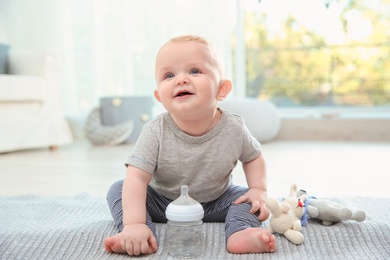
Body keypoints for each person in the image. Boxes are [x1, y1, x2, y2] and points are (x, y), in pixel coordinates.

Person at [103, 35, 276, 256]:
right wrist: (134, 222)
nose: (181, 80)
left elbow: (253, 157)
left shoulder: (234, 127)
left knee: (247, 200)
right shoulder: (155, 131)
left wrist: (258, 189)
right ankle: (138, 233)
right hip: (162, 203)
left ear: (221, 89)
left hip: (217, 202)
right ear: (159, 96)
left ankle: (240, 232)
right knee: (119, 190)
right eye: (169, 75)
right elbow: (137, 177)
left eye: (194, 71)